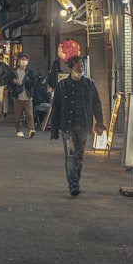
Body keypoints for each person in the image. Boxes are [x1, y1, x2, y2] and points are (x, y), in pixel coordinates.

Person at [49, 55, 105, 196]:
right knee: (70, 155)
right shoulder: (62, 85)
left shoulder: (89, 84)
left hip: (84, 125)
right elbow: (56, 108)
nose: (81, 68)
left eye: (82, 66)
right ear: (71, 68)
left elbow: (96, 104)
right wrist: (54, 130)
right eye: (78, 66)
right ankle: (73, 184)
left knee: (79, 157)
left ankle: (76, 181)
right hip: (67, 126)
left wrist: (99, 122)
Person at [11, 53, 37, 138]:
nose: (24, 61)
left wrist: (24, 82)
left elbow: (32, 83)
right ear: (18, 61)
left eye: (25, 60)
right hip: (17, 96)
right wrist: (14, 81)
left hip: (27, 96)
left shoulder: (30, 72)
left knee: (29, 114)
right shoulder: (14, 71)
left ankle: (31, 130)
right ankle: (18, 130)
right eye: (22, 59)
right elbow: (9, 82)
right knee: (18, 115)